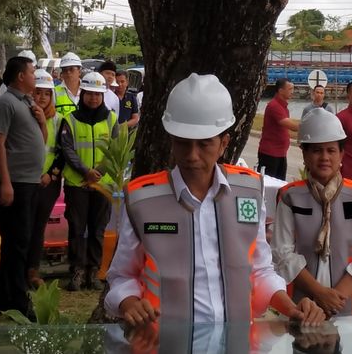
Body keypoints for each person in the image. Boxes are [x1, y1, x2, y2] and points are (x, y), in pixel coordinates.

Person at [104, 73, 324, 327]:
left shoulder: (249, 191)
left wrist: (291, 307)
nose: (192, 155)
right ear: (171, 142)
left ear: (223, 144)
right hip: (164, 341)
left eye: (204, 144)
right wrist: (129, 302)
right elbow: (121, 276)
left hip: (235, 340)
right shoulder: (143, 199)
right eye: (183, 144)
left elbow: (260, 271)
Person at [272, 108, 352, 318]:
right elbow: (282, 254)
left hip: (350, 313)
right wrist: (319, 293)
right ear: (304, 154)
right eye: (316, 151)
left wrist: (333, 300)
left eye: (331, 150)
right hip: (303, 309)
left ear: (342, 154)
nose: (324, 157)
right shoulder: (290, 197)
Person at [0, 56, 46, 318]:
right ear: (20, 76)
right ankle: (18, 299)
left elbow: (41, 140)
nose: (36, 76)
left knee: (20, 241)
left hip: (31, 181)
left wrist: (42, 121)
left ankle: (6, 300)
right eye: (33, 72)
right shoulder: (5, 103)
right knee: (17, 242)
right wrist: (5, 182)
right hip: (17, 182)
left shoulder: (29, 103)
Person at [60, 71, 118, 291]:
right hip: (78, 184)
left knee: (97, 229)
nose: (94, 98)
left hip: (102, 184)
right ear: (83, 93)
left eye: (98, 94)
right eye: (90, 94)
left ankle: (93, 272)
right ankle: (76, 271)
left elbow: (115, 147)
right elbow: (67, 149)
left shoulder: (112, 119)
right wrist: (86, 172)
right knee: (77, 228)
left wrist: (99, 172)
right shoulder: (70, 120)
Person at [26, 69, 64, 289]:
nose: (41, 98)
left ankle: (33, 269)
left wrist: (50, 175)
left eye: (46, 93)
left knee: (39, 226)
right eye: (37, 92)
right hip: (26, 179)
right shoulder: (24, 115)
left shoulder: (58, 120)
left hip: (48, 181)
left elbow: (62, 152)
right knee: (24, 225)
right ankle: (18, 269)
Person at [257, 78, 299, 180]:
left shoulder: (283, 107)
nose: (292, 92)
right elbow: (292, 126)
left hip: (280, 153)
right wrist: (311, 125)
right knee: (268, 184)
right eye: (290, 89)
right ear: (280, 91)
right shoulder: (274, 106)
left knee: (280, 184)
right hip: (270, 154)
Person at [55, 51, 83, 116]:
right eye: (65, 70)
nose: (68, 72)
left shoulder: (87, 90)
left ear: (79, 71)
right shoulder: (54, 92)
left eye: (71, 69)